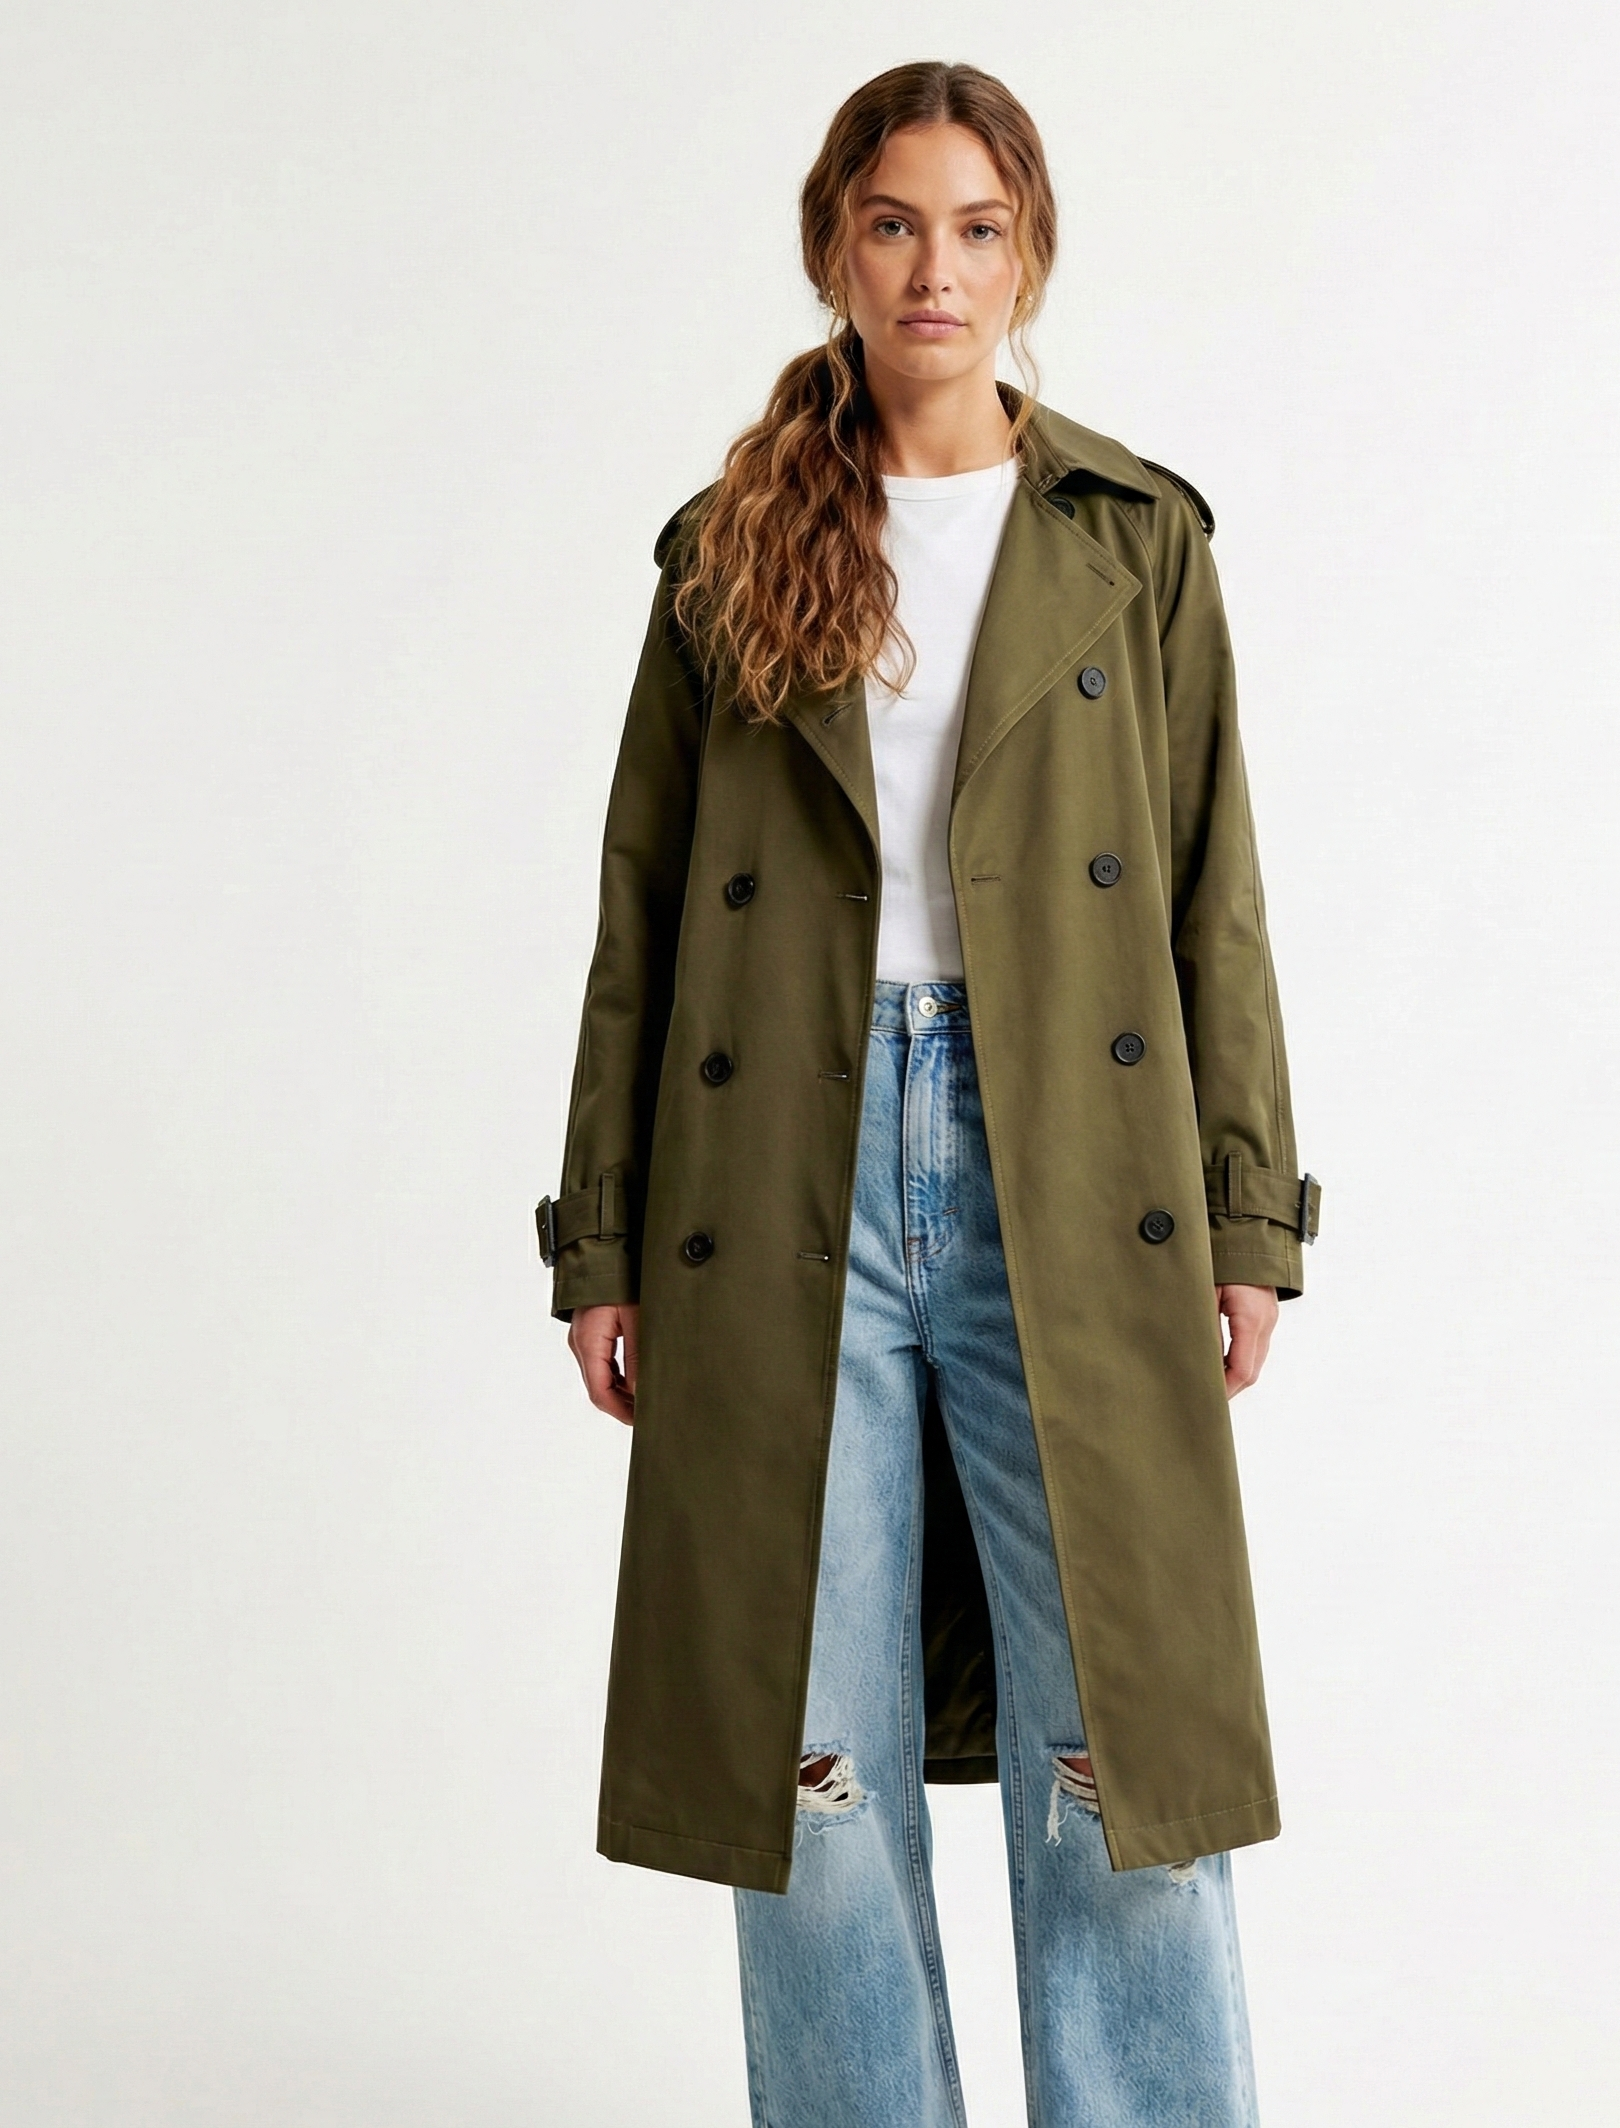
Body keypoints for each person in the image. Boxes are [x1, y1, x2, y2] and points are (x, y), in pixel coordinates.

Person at [536, 58, 1318, 2128]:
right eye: (893, 223)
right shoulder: (728, 551)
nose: (933, 269)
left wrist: (1246, 1211)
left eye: (977, 227)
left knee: (1117, 1750)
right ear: (833, 247)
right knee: (807, 1765)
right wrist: (602, 1237)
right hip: (772, 1167)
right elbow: (638, 910)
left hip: (1068, 1157)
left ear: (1029, 252)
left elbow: (1215, 892)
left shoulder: (1132, 540)